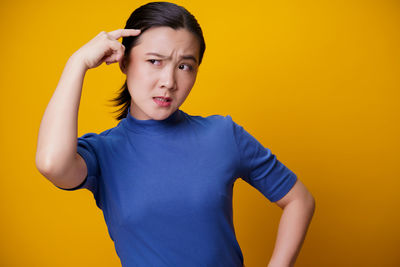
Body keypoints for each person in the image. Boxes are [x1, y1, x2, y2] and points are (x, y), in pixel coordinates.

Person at [35, 2, 315, 267]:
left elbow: (299, 200)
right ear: (124, 62)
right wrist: (77, 63)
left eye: (184, 66)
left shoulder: (222, 134)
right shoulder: (103, 152)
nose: (169, 82)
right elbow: (51, 164)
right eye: (155, 61)